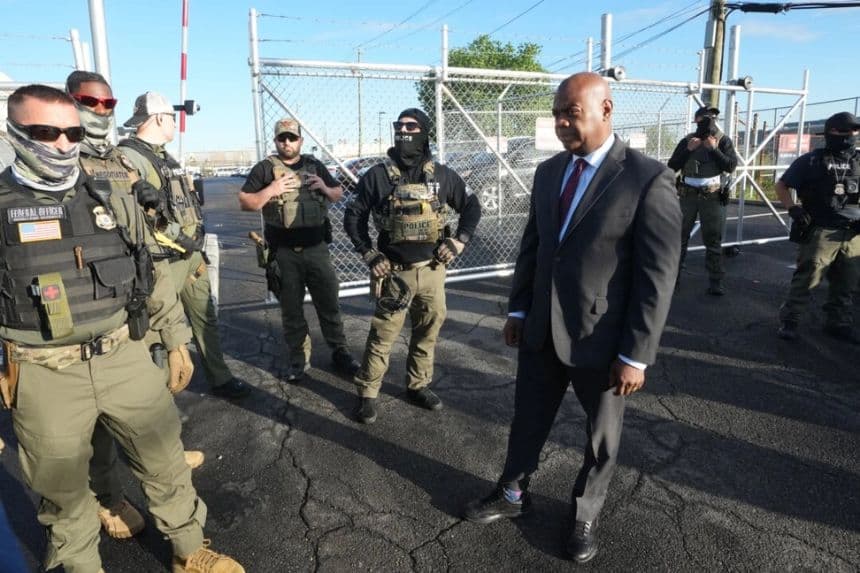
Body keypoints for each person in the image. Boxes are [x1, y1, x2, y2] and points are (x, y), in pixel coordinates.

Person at [0, 84, 243, 573]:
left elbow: (146, 272)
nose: (64, 143)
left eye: (70, 132)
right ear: (15, 133)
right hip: (44, 374)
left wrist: (175, 338)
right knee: (63, 497)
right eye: (46, 132)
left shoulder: (110, 192)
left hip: (122, 355)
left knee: (166, 462)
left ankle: (189, 550)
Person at [462, 73, 681, 563]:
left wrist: (636, 355)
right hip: (541, 328)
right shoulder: (549, 172)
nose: (561, 122)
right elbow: (535, 249)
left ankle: (584, 513)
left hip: (603, 341)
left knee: (601, 437)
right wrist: (519, 308)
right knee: (528, 418)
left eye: (571, 112)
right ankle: (513, 493)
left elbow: (658, 276)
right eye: (557, 111)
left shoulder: (647, 179)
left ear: (606, 110)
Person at [65, 70, 204, 541]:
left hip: (127, 321)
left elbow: (148, 257)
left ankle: (186, 544)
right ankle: (106, 498)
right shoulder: (32, 176)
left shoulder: (118, 169)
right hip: (71, 330)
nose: (100, 111)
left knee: (150, 421)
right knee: (92, 437)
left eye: (108, 103)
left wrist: (174, 333)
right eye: (89, 101)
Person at [344, 108, 481, 424]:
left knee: (427, 332)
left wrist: (459, 240)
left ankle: (418, 385)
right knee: (382, 337)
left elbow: (472, 205)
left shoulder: (442, 175)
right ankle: (367, 394)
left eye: (411, 125)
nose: (404, 130)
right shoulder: (378, 176)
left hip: (433, 271)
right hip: (393, 274)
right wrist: (369, 255)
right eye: (399, 125)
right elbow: (354, 217)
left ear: (424, 132)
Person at [118, 92, 249, 399]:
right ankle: (158, 398)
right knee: (161, 332)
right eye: (172, 118)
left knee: (206, 319)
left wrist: (195, 240)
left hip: (188, 255)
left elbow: (183, 201)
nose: (175, 123)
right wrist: (184, 240)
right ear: (159, 118)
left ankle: (220, 376)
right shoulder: (129, 158)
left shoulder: (163, 156)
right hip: (163, 261)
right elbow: (145, 217)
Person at [239, 118, 361, 381]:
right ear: (275, 141)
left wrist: (325, 188)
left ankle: (340, 352)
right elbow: (246, 201)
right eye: (282, 138)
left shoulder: (314, 166)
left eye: (292, 138)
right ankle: (299, 359)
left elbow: (339, 193)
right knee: (291, 310)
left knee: (329, 304)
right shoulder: (265, 169)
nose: (287, 142)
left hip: (317, 250)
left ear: (300, 141)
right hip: (283, 255)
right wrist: (272, 189)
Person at [776, 111, 860, 344]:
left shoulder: (859, 160)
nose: (850, 135)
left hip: (853, 232)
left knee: (847, 280)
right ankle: (790, 319)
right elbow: (782, 185)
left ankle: (838, 322)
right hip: (822, 229)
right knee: (808, 277)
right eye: (843, 130)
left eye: (854, 131)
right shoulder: (812, 160)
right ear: (830, 132)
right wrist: (793, 208)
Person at [667, 105, 739, 295]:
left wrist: (714, 150)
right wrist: (688, 150)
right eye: (705, 118)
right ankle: (673, 280)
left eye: (713, 117)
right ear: (696, 120)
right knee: (679, 239)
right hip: (687, 195)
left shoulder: (722, 141)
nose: (709, 121)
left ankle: (716, 282)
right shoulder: (688, 140)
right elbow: (672, 166)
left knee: (713, 240)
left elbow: (731, 166)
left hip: (712, 196)